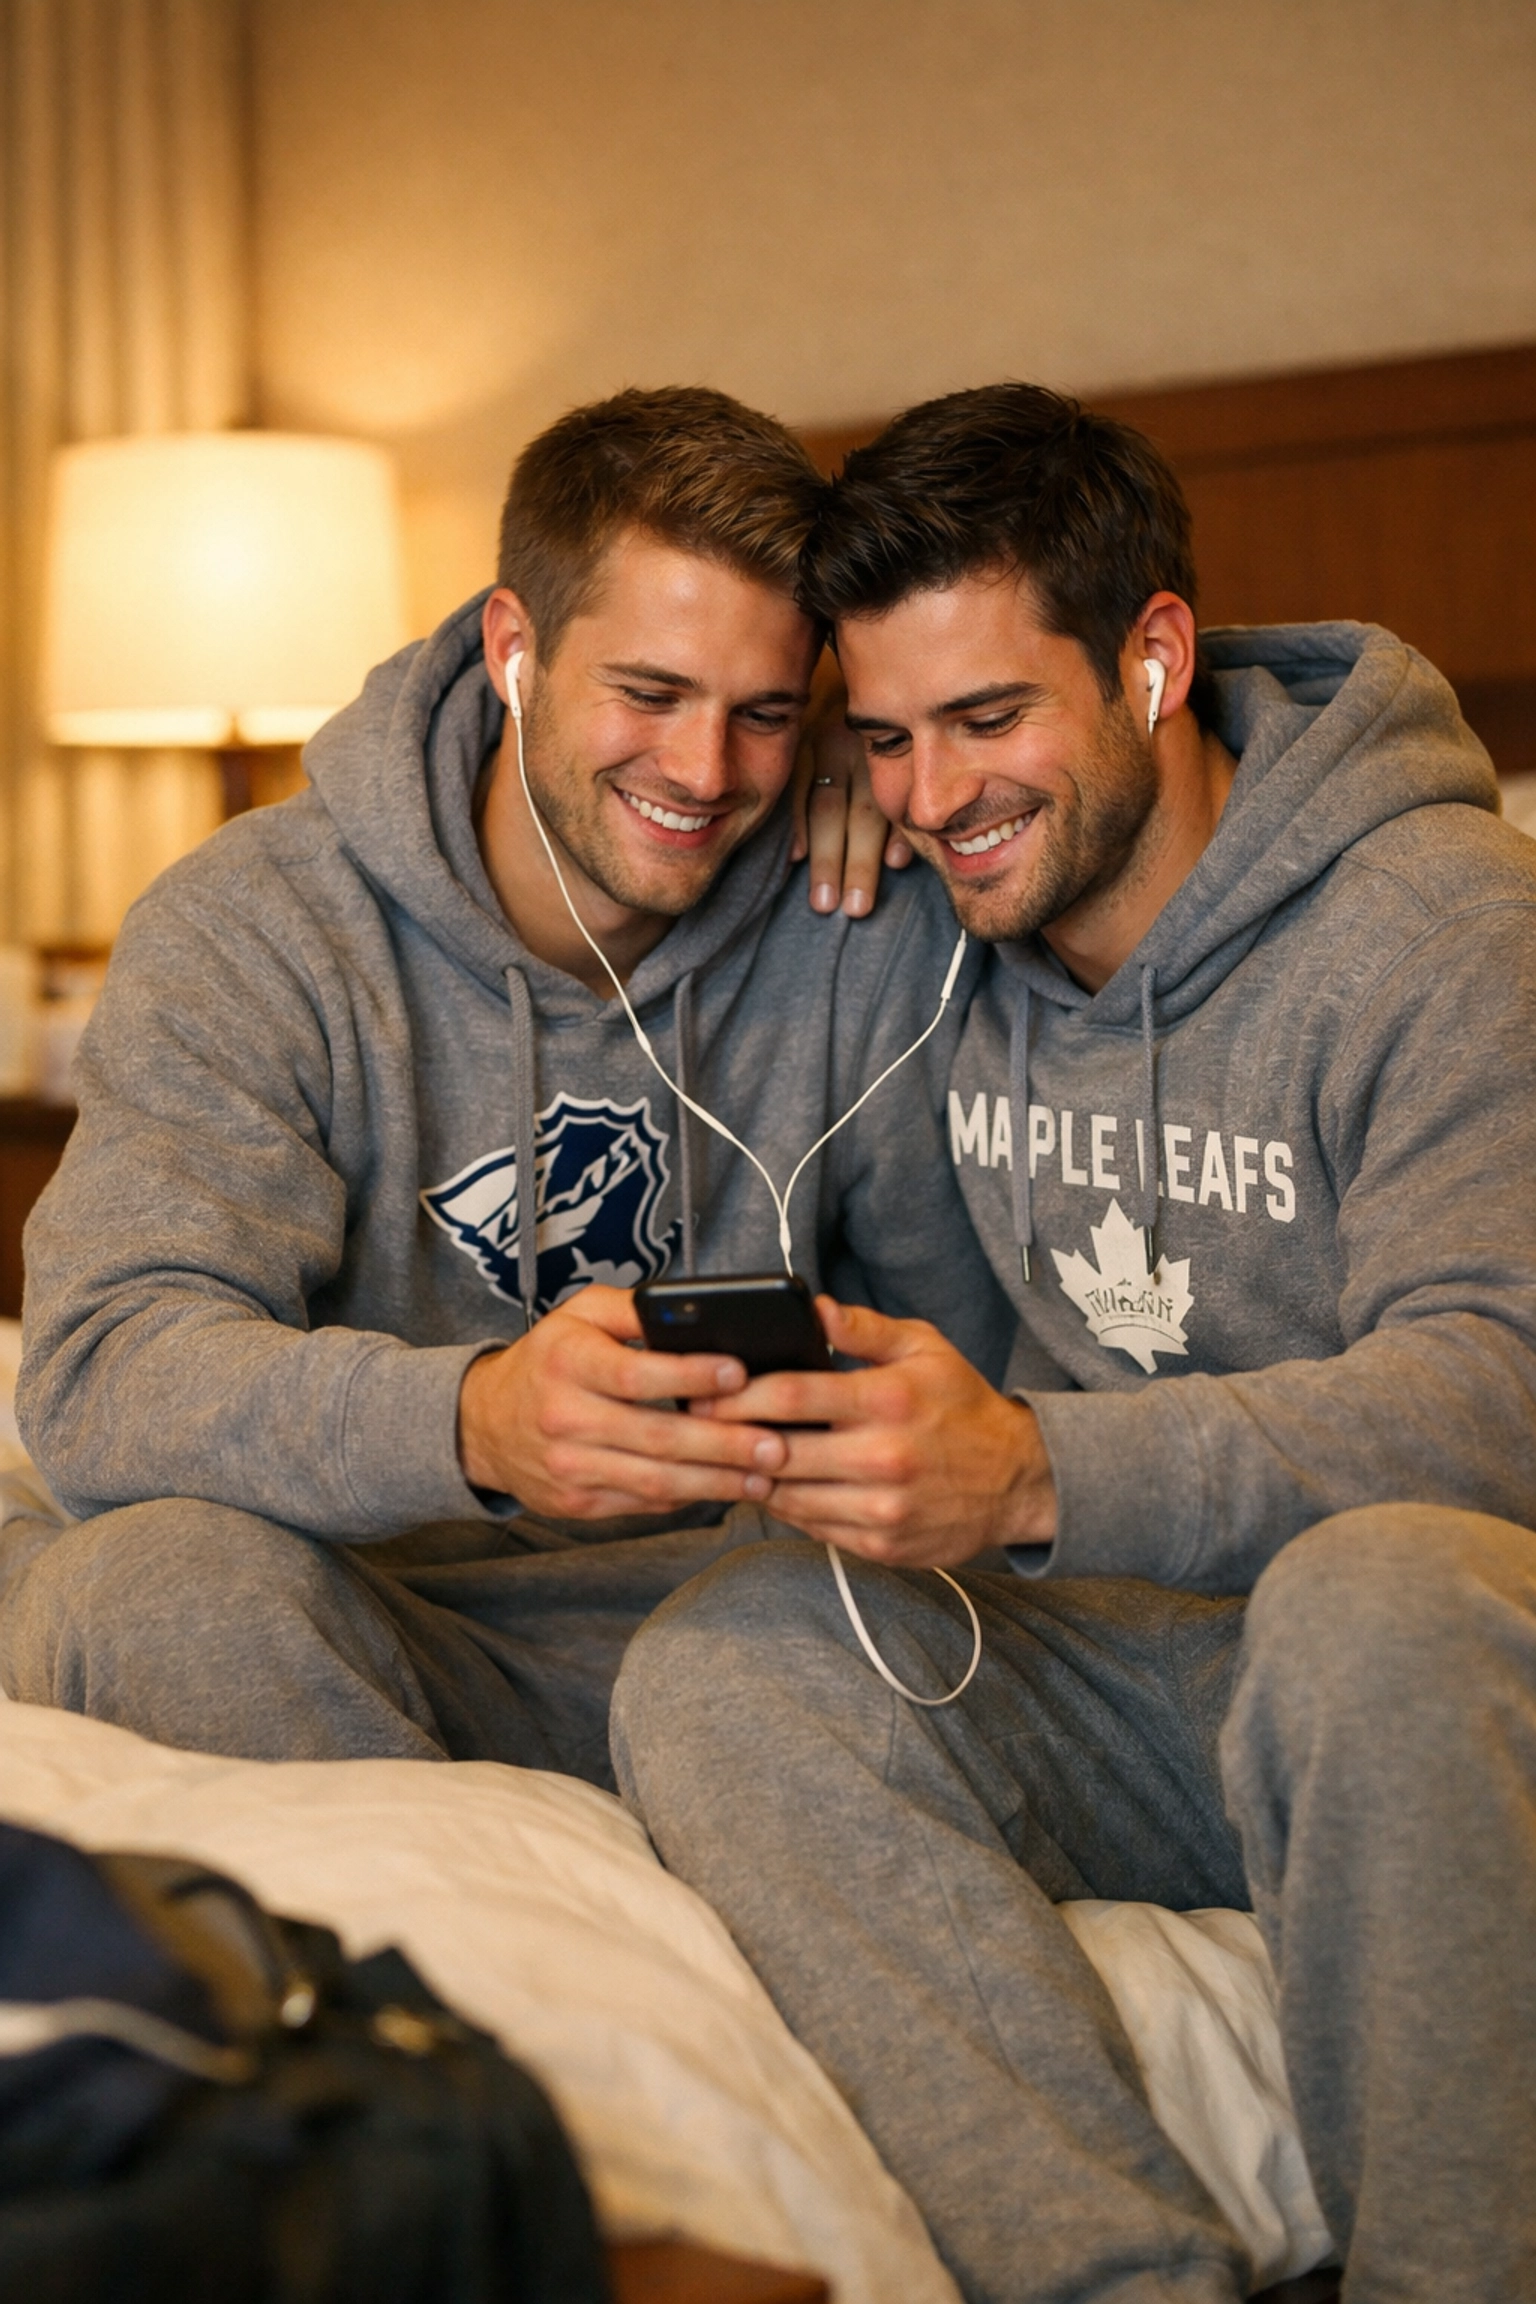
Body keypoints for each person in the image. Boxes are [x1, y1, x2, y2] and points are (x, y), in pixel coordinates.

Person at [610, 384, 1536, 2302]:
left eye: (991, 718)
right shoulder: (946, 924)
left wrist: (1043, 1467)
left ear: (1157, 656)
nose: (940, 796)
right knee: (733, 1665)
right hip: (1155, 1671)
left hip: (1430, 1655)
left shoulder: (1452, 934)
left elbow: (1501, 1395)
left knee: (1371, 1595)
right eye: (889, 739)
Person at [3, 385, 1013, 1784]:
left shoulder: (866, 915)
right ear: (513, 649)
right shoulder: (255, 927)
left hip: (744, 1623)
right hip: (368, 1600)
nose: (703, 770)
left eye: (766, 713)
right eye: (649, 694)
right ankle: (411, 1969)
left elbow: (977, 1360)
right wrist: (472, 1423)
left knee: (858, 1653)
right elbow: (103, 1377)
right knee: (144, 1588)